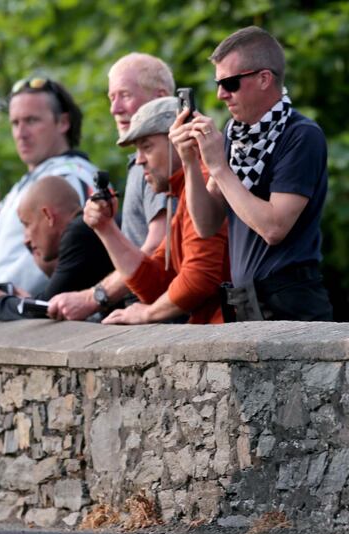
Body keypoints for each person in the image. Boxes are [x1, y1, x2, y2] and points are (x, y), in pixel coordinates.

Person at [170, 26, 332, 321]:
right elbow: (206, 225)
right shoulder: (237, 137)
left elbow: (273, 228)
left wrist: (219, 167)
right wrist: (191, 161)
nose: (221, 95)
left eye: (230, 83)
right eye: (218, 83)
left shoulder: (301, 135)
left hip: (290, 306)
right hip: (246, 304)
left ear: (264, 79)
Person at [0, 77, 98, 316]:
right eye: (15, 123)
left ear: (63, 122)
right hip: (17, 317)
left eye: (32, 120)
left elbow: (58, 256)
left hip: (40, 320)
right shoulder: (25, 185)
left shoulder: (69, 177)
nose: (21, 133)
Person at [48, 53, 175, 321]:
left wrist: (93, 297)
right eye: (111, 98)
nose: (115, 109)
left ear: (160, 97)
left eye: (125, 95)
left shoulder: (161, 162)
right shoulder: (141, 164)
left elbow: (156, 248)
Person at [83, 97, 230, 324]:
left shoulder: (202, 180)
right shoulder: (182, 194)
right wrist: (105, 228)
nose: (139, 160)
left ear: (182, 140)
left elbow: (199, 279)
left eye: (147, 147)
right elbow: (156, 285)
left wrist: (146, 314)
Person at [0, 175, 113, 320]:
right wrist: (27, 301)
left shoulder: (79, 233)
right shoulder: (83, 230)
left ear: (48, 216)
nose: (25, 239)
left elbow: (46, 308)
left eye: (27, 224)